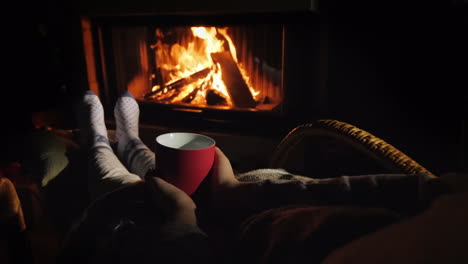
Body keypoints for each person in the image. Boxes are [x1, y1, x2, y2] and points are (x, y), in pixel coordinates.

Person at [57, 91, 468, 264]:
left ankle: (100, 140)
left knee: (128, 187)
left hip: (208, 245)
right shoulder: (448, 210)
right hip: (250, 210)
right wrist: (241, 194)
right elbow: (419, 187)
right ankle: (127, 139)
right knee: (154, 166)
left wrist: (183, 224)